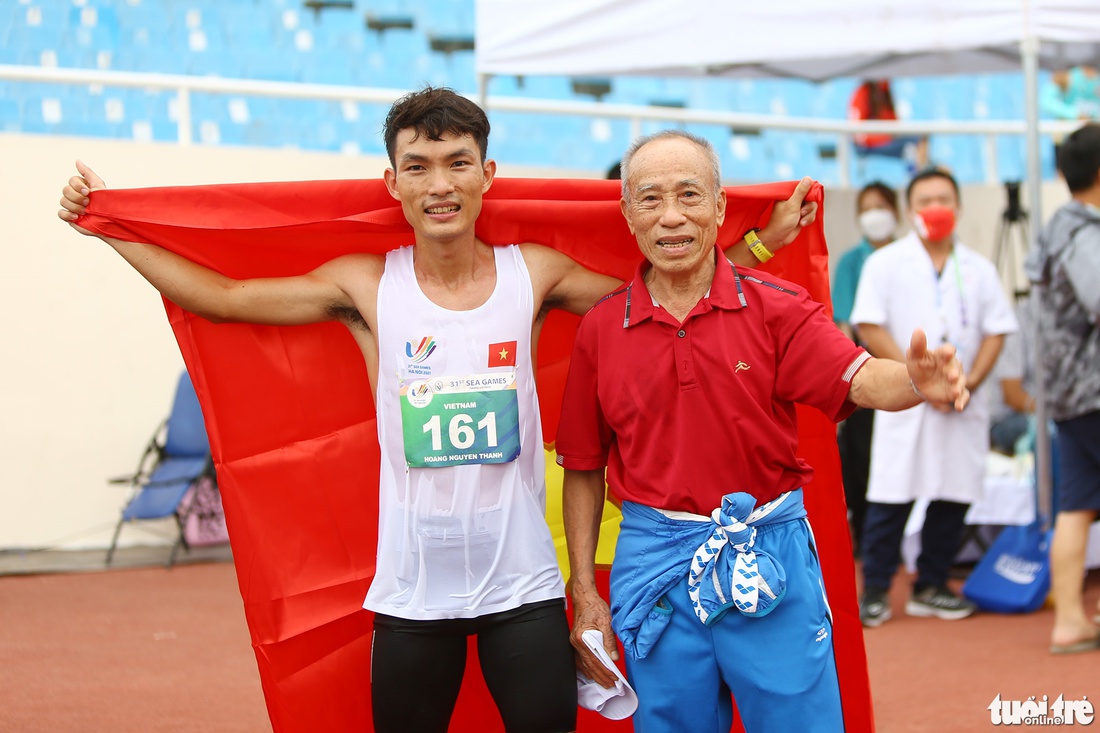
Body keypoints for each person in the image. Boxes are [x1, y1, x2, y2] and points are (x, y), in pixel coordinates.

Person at [56, 87, 818, 732]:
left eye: (457, 164)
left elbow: (657, 298)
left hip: (522, 588)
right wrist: (108, 226)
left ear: (487, 174)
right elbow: (223, 300)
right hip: (413, 595)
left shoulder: (534, 275)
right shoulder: (365, 285)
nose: (439, 183)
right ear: (393, 183)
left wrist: (753, 245)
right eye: (417, 167)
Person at [556, 130, 970, 732]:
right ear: (627, 214)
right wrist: (585, 592)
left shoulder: (778, 307)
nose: (671, 216)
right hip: (656, 571)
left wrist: (914, 382)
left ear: (719, 207)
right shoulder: (600, 330)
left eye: (689, 195)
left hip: (767, 555)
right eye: (650, 199)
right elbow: (584, 468)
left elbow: (857, 378)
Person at [851, 168, 1017, 628]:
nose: (936, 208)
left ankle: (932, 584)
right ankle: (878, 590)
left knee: (954, 493)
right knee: (891, 495)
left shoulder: (979, 268)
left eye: (944, 198)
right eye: (926, 199)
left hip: (962, 401)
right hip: (905, 397)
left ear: (959, 207)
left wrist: (968, 383)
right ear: (910, 210)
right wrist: (916, 380)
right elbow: (868, 325)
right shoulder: (884, 264)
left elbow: (996, 332)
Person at [1024, 122, 1100, 655]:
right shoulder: (1085, 234)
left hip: (1068, 392)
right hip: (1094, 388)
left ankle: (1070, 619)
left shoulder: (1056, 227)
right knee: (1074, 504)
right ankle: (1070, 618)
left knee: (1075, 505)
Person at [833, 181, 901, 553]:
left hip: (906, 370)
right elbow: (844, 323)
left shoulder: (911, 258)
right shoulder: (852, 263)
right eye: (867, 208)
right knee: (862, 458)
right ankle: (864, 538)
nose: (875, 215)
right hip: (868, 375)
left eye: (882, 206)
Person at [987, 294, 1036, 456]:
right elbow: (1012, 395)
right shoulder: (1017, 322)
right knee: (1050, 432)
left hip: (1046, 414)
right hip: (1008, 419)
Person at [847, 79, 929, 172]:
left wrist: (885, 93)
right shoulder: (862, 93)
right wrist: (887, 136)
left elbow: (893, 124)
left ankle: (920, 172)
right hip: (867, 145)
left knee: (920, 138)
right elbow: (858, 134)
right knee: (911, 145)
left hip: (884, 140)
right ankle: (917, 174)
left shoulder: (883, 93)